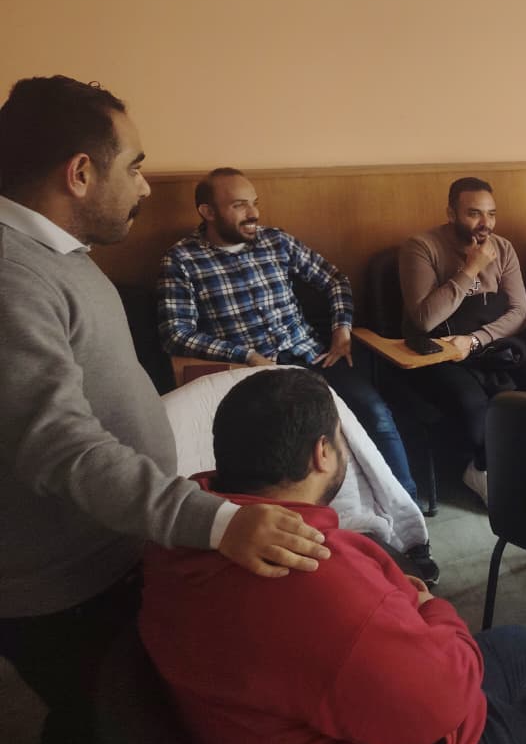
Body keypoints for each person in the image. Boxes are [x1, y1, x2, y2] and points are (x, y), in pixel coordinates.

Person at [0, 76, 328, 744]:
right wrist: (216, 521)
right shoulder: (12, 277)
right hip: (69, 588)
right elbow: (57, 442)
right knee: (117, 730)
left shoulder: (56, 255)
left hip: (117, 544)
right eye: (135, 166)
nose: (146, 186)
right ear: (80, 173)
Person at [140, 369, 526, 744]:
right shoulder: (319, 582)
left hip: (309, 718)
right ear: (322, 454)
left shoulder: (183, 531)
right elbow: (442, 704)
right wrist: (430, 607)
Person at [156, 168, 427, 513]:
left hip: (312, 355)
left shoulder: (276, 241)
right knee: (295, 443)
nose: (253, 213)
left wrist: (341, 329)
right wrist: (245, 355)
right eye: (239, 205)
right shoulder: (182, 259)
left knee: (375, 414)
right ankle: (325, 521)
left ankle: (407, 509)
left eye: (254, 203)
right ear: (207, 212)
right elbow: (176, 333)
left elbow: (335, 279)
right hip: (253, 371)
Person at [399, 177, 526, 506]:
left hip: (487, 343)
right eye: (474, 214)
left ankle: (520, 462)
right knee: (472, 402)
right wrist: (471, 269)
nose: (486, 224)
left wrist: (476, 340)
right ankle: (481, 469)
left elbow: (519, 313)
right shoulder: (421, 247)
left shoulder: (504, 248)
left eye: (491, 214)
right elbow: (424, 319)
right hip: (440, 350)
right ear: (451, 213)